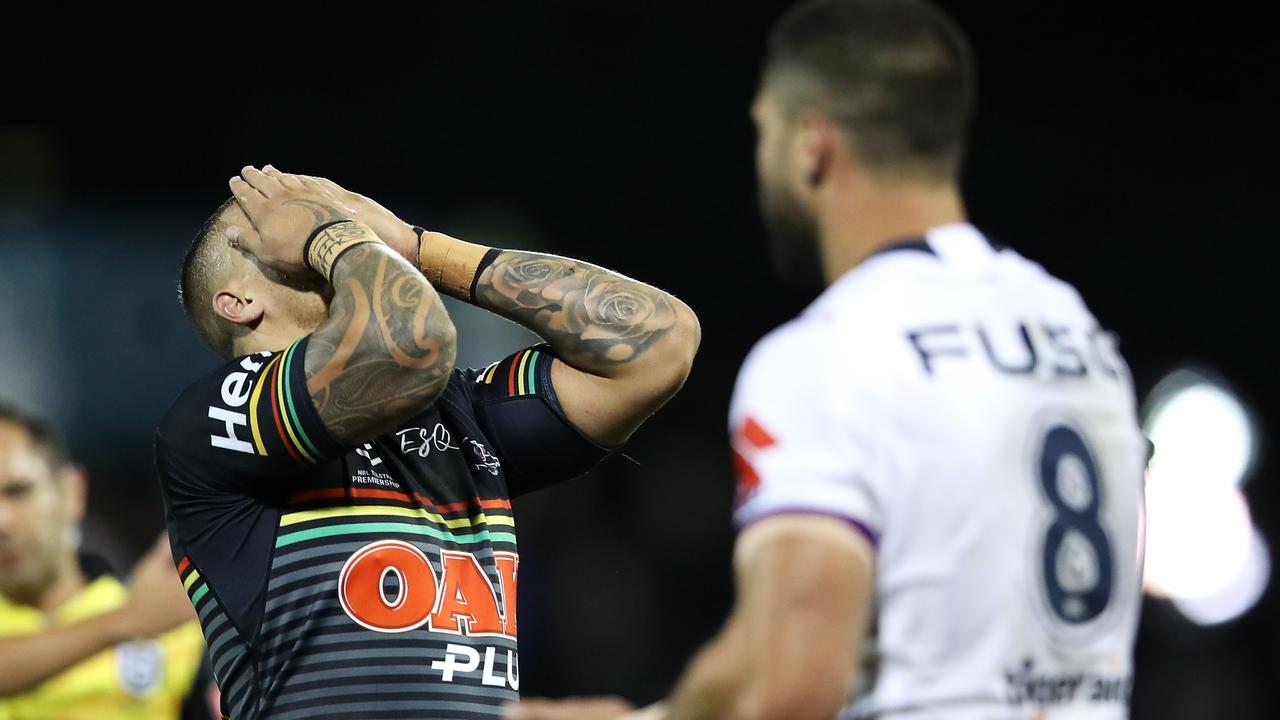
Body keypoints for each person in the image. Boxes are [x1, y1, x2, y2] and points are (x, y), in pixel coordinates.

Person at [508, 1, 1146, 719]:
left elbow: (786, 691)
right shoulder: (1080, 336)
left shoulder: (832, 355)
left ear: (811, 143)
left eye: (764, 132)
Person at [154, 166, 700, 719]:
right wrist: (331, 238)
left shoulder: (460, 417)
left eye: (320, 211)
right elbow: (411, 346)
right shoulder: (214, 418)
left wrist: (419, 249)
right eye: (278, 225)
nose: (322, 221)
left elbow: (660, 341)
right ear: (237, 303)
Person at [0, 403, 215, 719]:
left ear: (71, 491)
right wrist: (126, 621)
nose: (2, 521)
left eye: (19, 492)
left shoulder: (170, 630)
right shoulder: (141, 615)